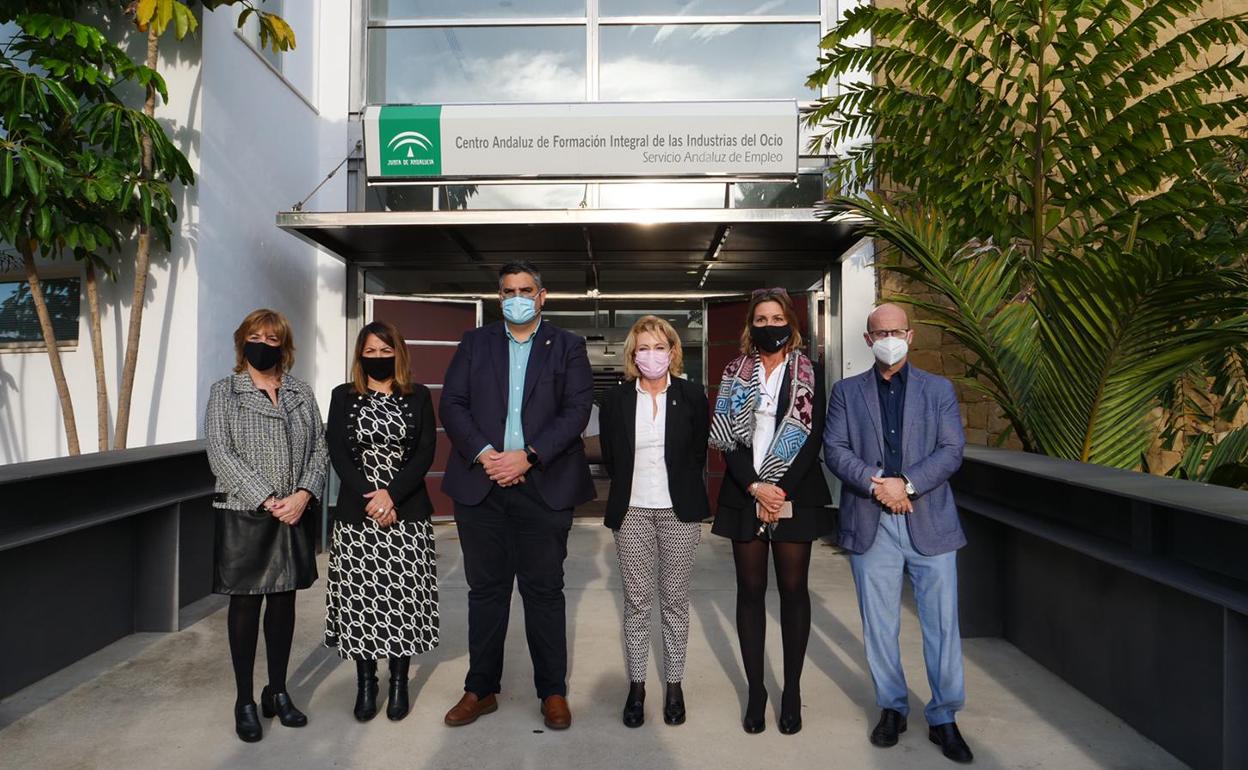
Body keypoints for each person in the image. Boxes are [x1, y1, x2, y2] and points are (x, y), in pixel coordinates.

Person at [439, 261, 594, 731]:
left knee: (543, 592)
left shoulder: (568, 346)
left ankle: (552, 692)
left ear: (542, 296)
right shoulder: (475, 343)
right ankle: (480, 689)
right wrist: (488, 454)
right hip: (480, 485)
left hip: (542, 485)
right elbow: (453, 403)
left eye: (526, 289)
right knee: (486, 592)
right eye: (509, 291)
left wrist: (527, 456)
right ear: (498, 297)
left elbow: (577, 410)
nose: (518, 297)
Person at [822, 303, 974, 764]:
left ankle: (944, 716)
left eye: (896, 330)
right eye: (879, 332)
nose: (889, 338)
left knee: (942, 625)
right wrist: (878, 483)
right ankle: (891, 708)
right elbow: (835, 448)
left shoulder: (938, 389)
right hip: (873, 520)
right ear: (868, 340)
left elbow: (952, 450)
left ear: (910, 335)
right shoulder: (846, 391)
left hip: (930, 518)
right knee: (880, 624)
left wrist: (905, 484)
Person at [708, 288, 832, 735]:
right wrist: (757, 486)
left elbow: (813, 435)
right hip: (747, 491)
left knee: (794, 590)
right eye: (760, 319)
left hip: (794, 490)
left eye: (776, 317)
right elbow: (726, 438)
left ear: (791, 323)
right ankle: (757, 691)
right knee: (751, 591)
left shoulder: (811, 372)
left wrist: (778, 489)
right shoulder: (734, 372)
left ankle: (792, 690)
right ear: (750, 325)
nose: (768, 325)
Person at [204, 308, 327, 743]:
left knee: (283, 605)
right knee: (245, 606)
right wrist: (267, 498)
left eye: (272, 339)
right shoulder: (226, 392)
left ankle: (277, 691)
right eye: (256, 336)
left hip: (294, 512)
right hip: (245, 512)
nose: (264, 344)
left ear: (284, 346)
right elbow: (219, 452)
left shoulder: (300, 392)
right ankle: (244, 701)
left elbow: (320, 449)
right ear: (243, 342)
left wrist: (303, 495)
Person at [324, 321, 439, 723]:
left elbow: (425, 452)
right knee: (362, 602)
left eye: (384, 351)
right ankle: (367, 683)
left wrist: (392, 494)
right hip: (359, 514)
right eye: (369, 351)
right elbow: (338, 451)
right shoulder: (343, 396)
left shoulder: (419, 396)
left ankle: (399, 682)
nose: (377, 358)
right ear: (360, 355)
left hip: (405, 512)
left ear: (398, 353)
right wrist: (372, 497)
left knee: (402, 600)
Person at [599, 315, 709, 728]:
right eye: (643, 348)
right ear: (632, 354)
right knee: (637, 603)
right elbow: (611, 457)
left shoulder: (693, 395)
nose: (651, 355)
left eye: (659, 347)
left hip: (678, 510)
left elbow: (697, 453)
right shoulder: (616, 401)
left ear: (673, 352)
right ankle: (638, 686)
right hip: (631, 511)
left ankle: (675, 685)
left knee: (675, 603)